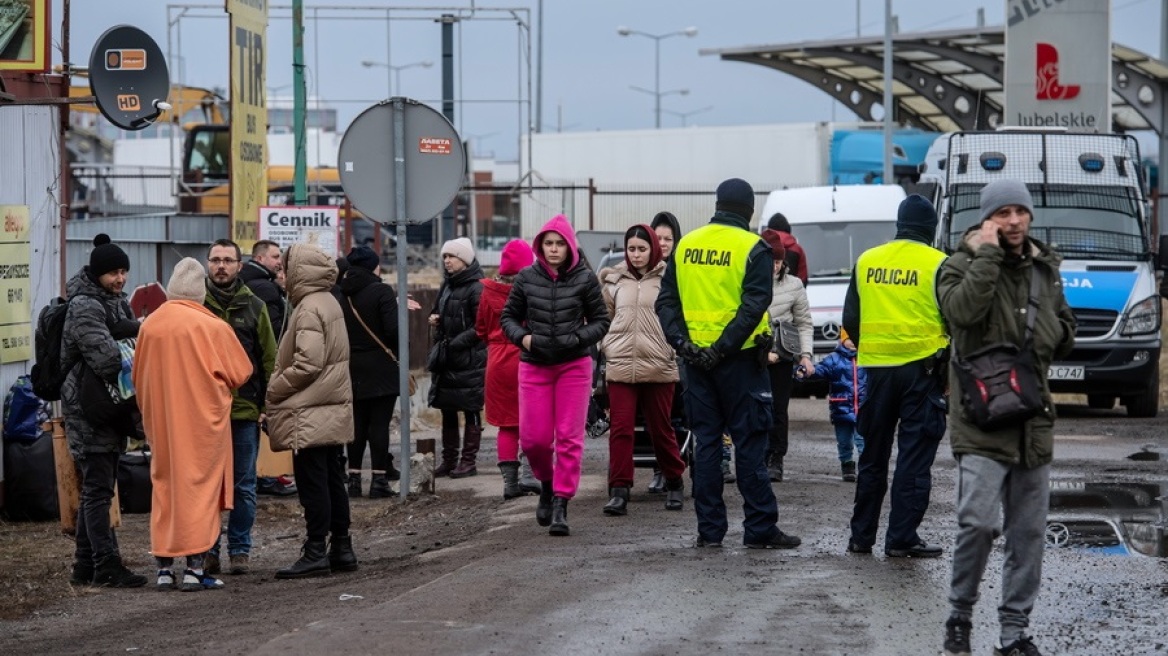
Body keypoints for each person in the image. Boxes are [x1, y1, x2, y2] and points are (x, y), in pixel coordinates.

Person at [937, 179, 1075, 656]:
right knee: (976, 522)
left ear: (1030, 216)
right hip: (979, 420)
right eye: (1003, 213)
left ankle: (1014, 633)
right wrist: (988, 257)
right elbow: (961, 315)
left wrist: (1057, 332)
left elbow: (1063, 327)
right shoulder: (958, 265)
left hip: (1032, 421)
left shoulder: (1045, 270)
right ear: (987, 219)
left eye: (1020, 212)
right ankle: (960, 615)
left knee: (1028, 535)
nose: (1013, 220)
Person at [656, 178, 801, 550]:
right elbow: (754, 305)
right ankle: (759, 528)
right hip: (739, 363)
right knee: (749, 443)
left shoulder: (686, 244)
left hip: (695, 364)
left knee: (706, 445)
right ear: (749, 209)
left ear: (717, 204)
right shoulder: (753, 247)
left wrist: (684, 345)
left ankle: (710, 531)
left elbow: (666, 303)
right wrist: (721, 348)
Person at [134, 258, 253, 591]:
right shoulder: (212, 326)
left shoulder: (150, 325)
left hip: (161, 422)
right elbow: (241, 372)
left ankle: (163, 569)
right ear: (201, 291)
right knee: (200, 492)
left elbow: (137, 375)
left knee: (166, 489)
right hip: (203, 425)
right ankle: (194, 569)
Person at [841, 194, 949, 559]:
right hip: (922, 374)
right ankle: (901, 537)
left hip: (877, 374)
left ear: (899, 226)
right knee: (913, 459)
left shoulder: (867, 260)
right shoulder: (939, 264)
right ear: (930, 230)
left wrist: (874, 349)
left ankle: (861, 537)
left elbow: (851, 321)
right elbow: (955, 321)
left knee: (873, 456)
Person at [500, 214, 610, 536]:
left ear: (569, 247)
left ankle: (561, 502)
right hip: (534, 365)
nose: (553, 249)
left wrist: (578, 339)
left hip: (573, 367)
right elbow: (509, 317)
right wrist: (524, 338)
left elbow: (601, 321)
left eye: (559, 243)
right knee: (533, 440)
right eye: (548, 243)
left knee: (568, 438)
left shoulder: (585, 279)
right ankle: (547, 484)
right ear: (540, 246)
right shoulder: (525, 278)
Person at [61, 234, 148, 588]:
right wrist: (132, 334)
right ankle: (107, 564)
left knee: (98, 487)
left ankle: (84, 566)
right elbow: (108, 359)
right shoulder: (85, 306)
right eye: (113, 272)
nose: (120, 279)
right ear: (97, 274)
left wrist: (127, 330)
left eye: (124, 271)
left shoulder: (115, 302)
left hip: (108, 406)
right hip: (89, 409)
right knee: (98, 489)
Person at [266, 244, 357, 579]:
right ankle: (342, 547)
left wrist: (275, 388)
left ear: (298, 271)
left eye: (284, 268)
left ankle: (316, 549)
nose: (280, 274)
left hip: (310, 410)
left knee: (312, 481)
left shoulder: (307, 309)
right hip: (329, 406)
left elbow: (308, 363)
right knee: (333, 477)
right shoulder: (329, 301)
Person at [200, 238, 278, 577]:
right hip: (202, 414)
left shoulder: (255, 306)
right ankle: (207, 550)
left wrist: (266, 405)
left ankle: (240, 549)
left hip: (244, 411)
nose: (221, 266)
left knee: (244, 486)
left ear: (239, 266)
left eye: (227, 261)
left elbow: (269, 359)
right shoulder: (195, 305)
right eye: (215, 260)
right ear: (207, 264)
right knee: (206, 486)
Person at [599, 224, 687, 515]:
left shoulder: (669, 279)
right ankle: (620, 490)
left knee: (661, 429)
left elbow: (678, 317)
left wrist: (673, 347)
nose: (636, 255)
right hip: (621, 364)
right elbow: (605, 318)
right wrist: (606, 344)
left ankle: (674, 480)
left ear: (653, 249)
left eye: (642, 249)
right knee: (621, 430)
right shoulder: (614, 280)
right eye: (631, 249)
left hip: (659, 362)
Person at [335, 245, 402, 499]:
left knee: (356, 425)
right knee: (379, 425)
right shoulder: (381, 291)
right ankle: (378, 481)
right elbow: (394, 331)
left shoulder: (342, 294)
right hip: (381, 367)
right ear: (374, 266)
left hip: (350, 367)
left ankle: (353, 480)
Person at [476, 239, 536, 499]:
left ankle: (510, 485)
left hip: (497, 361)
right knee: (534, 421)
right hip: (527, 356)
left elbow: (480, 328)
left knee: (507, 426)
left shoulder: (487, 293)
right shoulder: (531, 289)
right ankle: (530, 476)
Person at [239, 239, 296, 498]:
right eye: (275, 257)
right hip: (259, 370)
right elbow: (274, 333)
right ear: (260, 259)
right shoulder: (266, 289)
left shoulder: (246, 283)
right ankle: (267, 477)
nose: (279, 262)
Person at [427, 237, 488, 478]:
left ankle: (468, 461)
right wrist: (436, 318)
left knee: (471, 408)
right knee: (447, 408)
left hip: (469, 360)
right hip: (447, 359)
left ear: (464, 259)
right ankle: (449, 460)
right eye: (445, 257)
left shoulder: (477, 287)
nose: (447, 261)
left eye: (451, 256)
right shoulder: (447, 285)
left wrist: (455, 343)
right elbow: (438, 310)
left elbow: (480, 327)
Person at [760, 229, 815, 482]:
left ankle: (776, 458)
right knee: (755, 409)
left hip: (782, 357)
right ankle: (757, 456)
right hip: (755, 357)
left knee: (779, 409)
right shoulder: (746, 282)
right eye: (770, 261)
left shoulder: (794, 286)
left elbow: (804, 323)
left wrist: (805, 356)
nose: (774, 266)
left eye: (778, 262)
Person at [802, 328, 866, 482]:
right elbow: (820, 369)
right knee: (844, 441)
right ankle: (847, 464)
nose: (853, 341)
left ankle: (866, 467)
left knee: (862, 440)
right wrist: (805, 371)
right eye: (849, 338)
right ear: (842, 340)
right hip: (841, 408)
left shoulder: (867, 358)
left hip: (864, 408)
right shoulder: (834, 359)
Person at [766, 212, 809, 285]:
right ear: (788, 229)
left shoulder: (762, 246)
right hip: (791, 294)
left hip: (766, 294)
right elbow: (803, 277)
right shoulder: (797, 249)